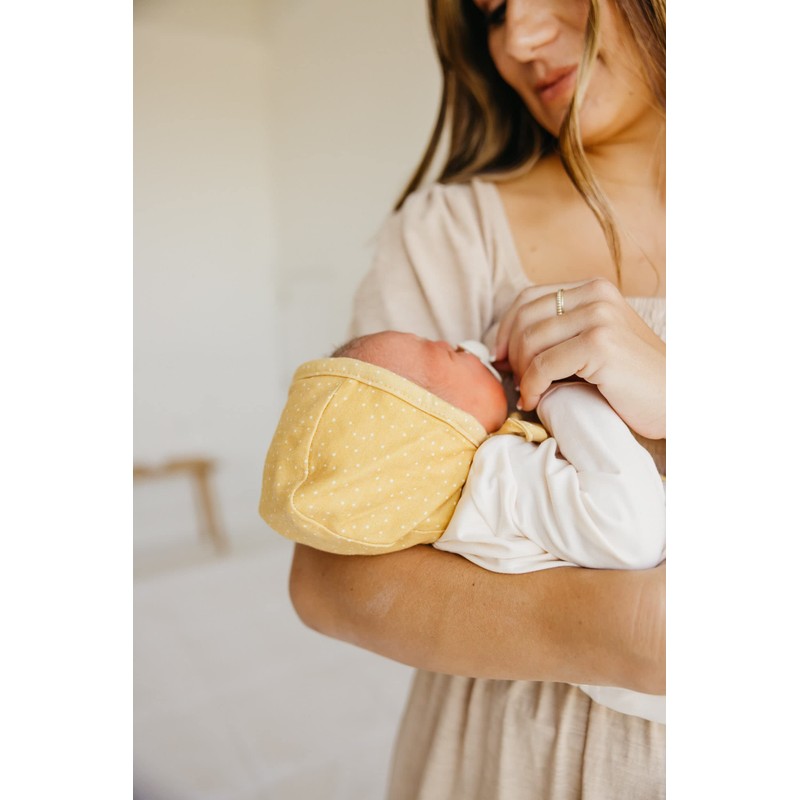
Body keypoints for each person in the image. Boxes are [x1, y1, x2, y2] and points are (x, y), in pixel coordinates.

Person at [288, 0, 667, 796]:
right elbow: (328, 579)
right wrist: (628, 632)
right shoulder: (450, 234)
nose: (518, 42)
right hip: (500, 759)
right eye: (491, 13)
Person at [261, 329, 665, 722]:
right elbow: (633, 534)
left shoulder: (457, 516)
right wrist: (564, 390)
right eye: (451, 352)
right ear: (437, 422)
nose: (473, 346)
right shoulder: (497, 474)